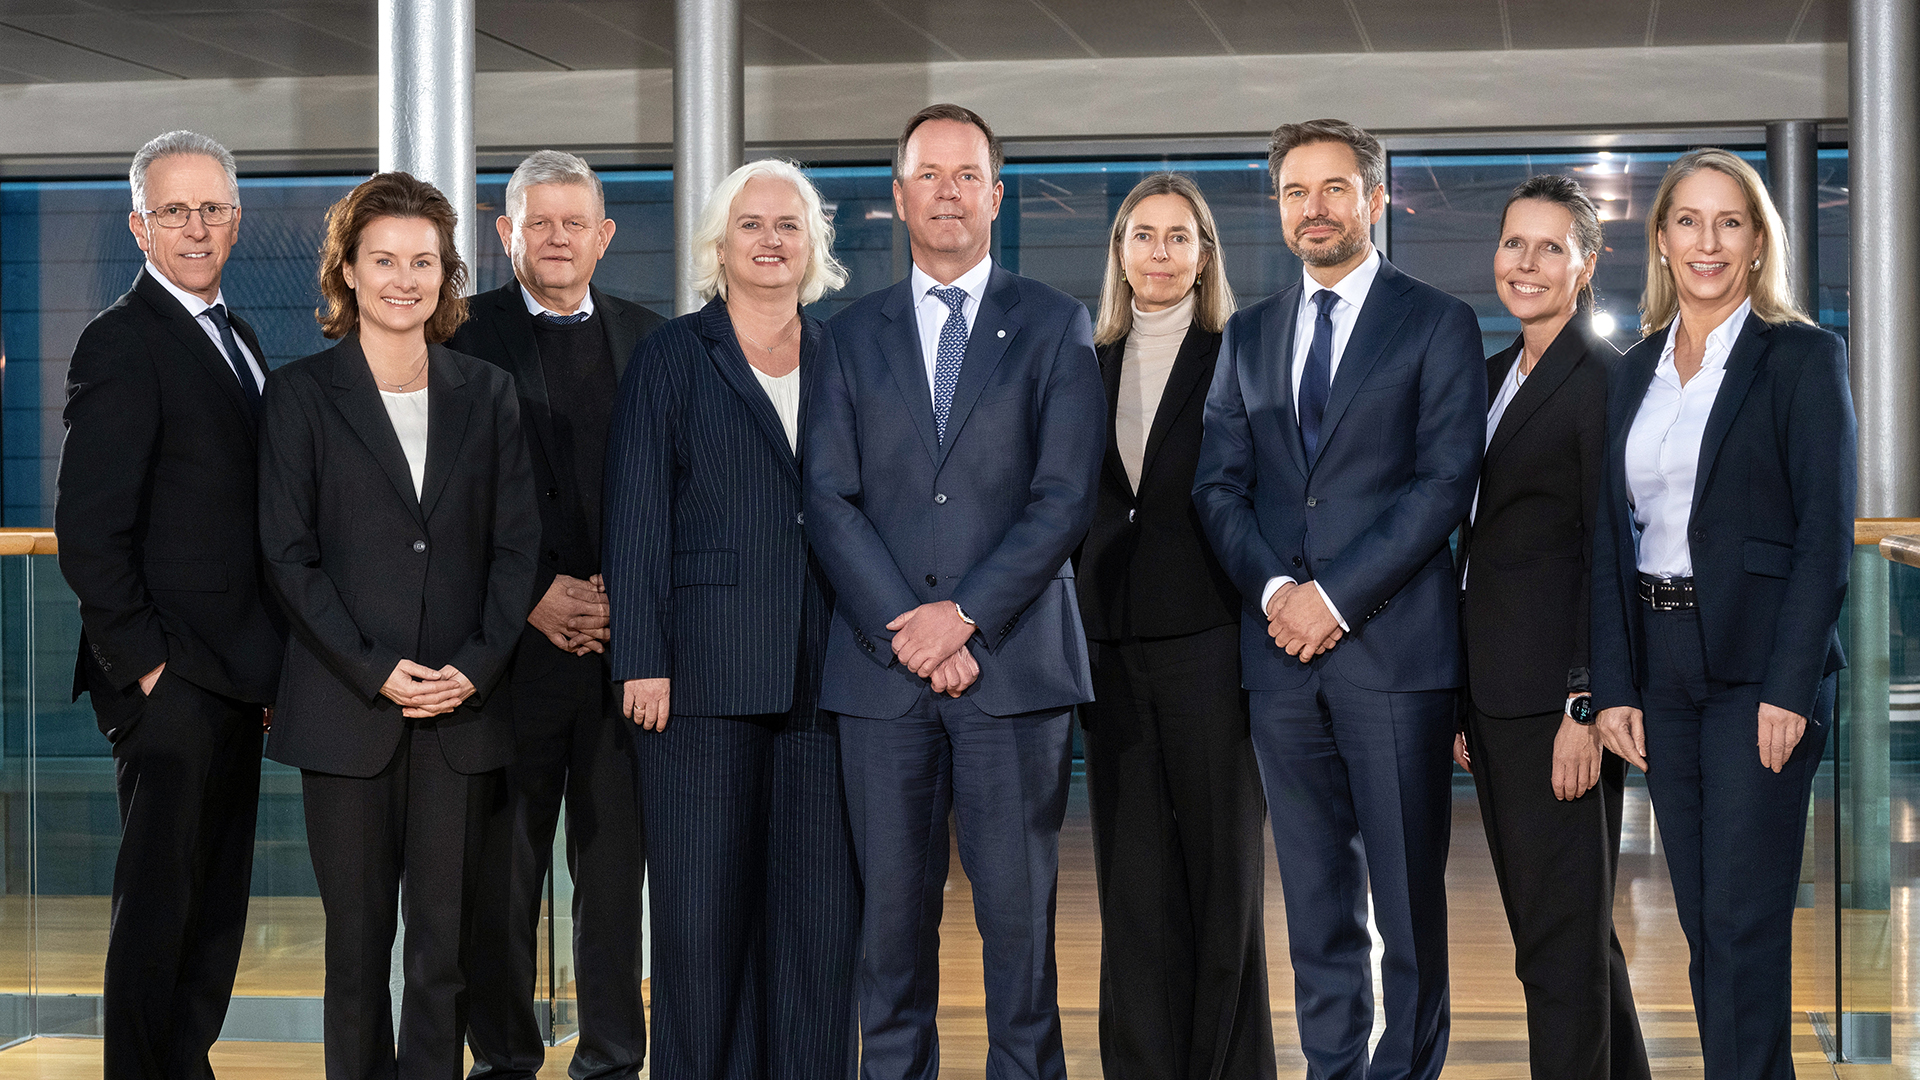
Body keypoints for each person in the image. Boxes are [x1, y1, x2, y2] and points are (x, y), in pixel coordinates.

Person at [803, 103, 1105, 1079]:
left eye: (966, 174)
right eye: (928, 174)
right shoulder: (845, 339)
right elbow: (827, 498)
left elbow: (1065, 497)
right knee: (889, 934)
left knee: (1020, 937)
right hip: (881, 678)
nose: (947, 191)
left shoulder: (1055, 325)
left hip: (1012, 673)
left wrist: (964, 616)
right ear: (897, 198)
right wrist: (912, 631)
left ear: (996, 195)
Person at [1193, 118, 1484, 1080]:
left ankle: (1406, 1068)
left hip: (1392, 653)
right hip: (1279, 660)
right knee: (1313, 894)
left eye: (1331, 189)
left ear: (1374, 197)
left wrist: (1336, 598)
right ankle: (1333, 1067)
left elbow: (1443, 484)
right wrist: (1280, 591)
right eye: (1292, 193)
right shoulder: (1251, 331)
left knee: (1405, 898)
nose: (1312, 209)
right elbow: (1218, 487)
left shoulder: (1435, 320)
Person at [257, 172, 541, 1080]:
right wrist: (376, 667)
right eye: (384, 260)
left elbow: (516, 551)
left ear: (446, 273)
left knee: (443, 953)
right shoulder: (299, 394)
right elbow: (288, 557)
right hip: (349, 712)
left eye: (424, 261)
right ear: (348, 268)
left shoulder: (487, 393)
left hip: (462, 711)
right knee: (355, 953)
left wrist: (476, 667)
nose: (404, 279)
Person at [1590, 149, 1854, 1080]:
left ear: (1756, 241)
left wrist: (1790, 688)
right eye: (1688, 221)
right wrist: (1612, 686)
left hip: (1757, 674)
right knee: (1705, 926)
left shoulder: (1802, 357)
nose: (1707, 242)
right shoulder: (1632, 373)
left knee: (1743, 929)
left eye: (1729, 222)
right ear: (1661, 239)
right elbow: (1609, 540)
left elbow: (1825, 534)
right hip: (1661, 669)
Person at [602, 157, 859, 1079]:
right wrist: (641, 656)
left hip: (829, 677)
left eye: (788, 225)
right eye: (751, 225)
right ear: (720, 243)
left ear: (813, 246)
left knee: (818, 924)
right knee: (701, 922)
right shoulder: (673, 355)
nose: (770, 241)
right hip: (698, 680)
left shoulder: (844, 354)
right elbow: (634, 515)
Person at [54, 129, 285, 1080]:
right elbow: (88, 532)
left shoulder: (237, 334)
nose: (196, 226)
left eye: (213, 208)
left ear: (236, 219)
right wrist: (149, 669)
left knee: (214, 905)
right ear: (139, 225)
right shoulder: (120, 340)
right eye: (174, 210)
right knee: (159, 911)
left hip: (237, 676)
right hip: (173, 682)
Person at [452, 149, 664, 1080]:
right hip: (510, 651)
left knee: (615, 881)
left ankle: (613, 1059)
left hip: (622, 648)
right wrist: (535, 595)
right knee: (503, 879)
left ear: (605, 236)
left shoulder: (650, 339)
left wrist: (627, 595)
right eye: (537, 222)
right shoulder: (461, 336)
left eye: (575, 222)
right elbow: (451, 498)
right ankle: (504, 1058)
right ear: (506, 233)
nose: (557, 238)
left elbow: (666, 489)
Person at [1075, 172, 1275, 1080]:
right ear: (1119, 252)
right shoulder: (1085, 361)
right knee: (1134, 879)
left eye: (1178, 237)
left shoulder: (1241, 352)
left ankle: (1228, 1066)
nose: (1159, 253)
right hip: (1108, 645)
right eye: (1142, 236)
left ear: (1204, 256)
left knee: (1220, 872)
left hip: (1211, 639)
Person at [1454, 175, 1650, 1080]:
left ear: (1585, 265)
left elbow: (1610, 550)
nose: (1526, 264)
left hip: (1555, 704)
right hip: (1495, 695)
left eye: (1549, 248)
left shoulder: (1602, 381)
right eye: (1513, 244)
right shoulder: (1493, 378)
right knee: (1565, 932)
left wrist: (1585, 699)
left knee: (1558, 947)